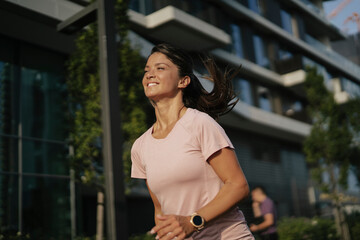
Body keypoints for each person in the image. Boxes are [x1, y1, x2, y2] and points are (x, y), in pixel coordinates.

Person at [131, 43, 254, 240]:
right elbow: (160, 210)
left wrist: (192, 222)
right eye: (147, 70)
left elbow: (238, 186)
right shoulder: (140, 147)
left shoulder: (200, 124)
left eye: (160, 68)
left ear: (183, 81)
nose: (149, 74)